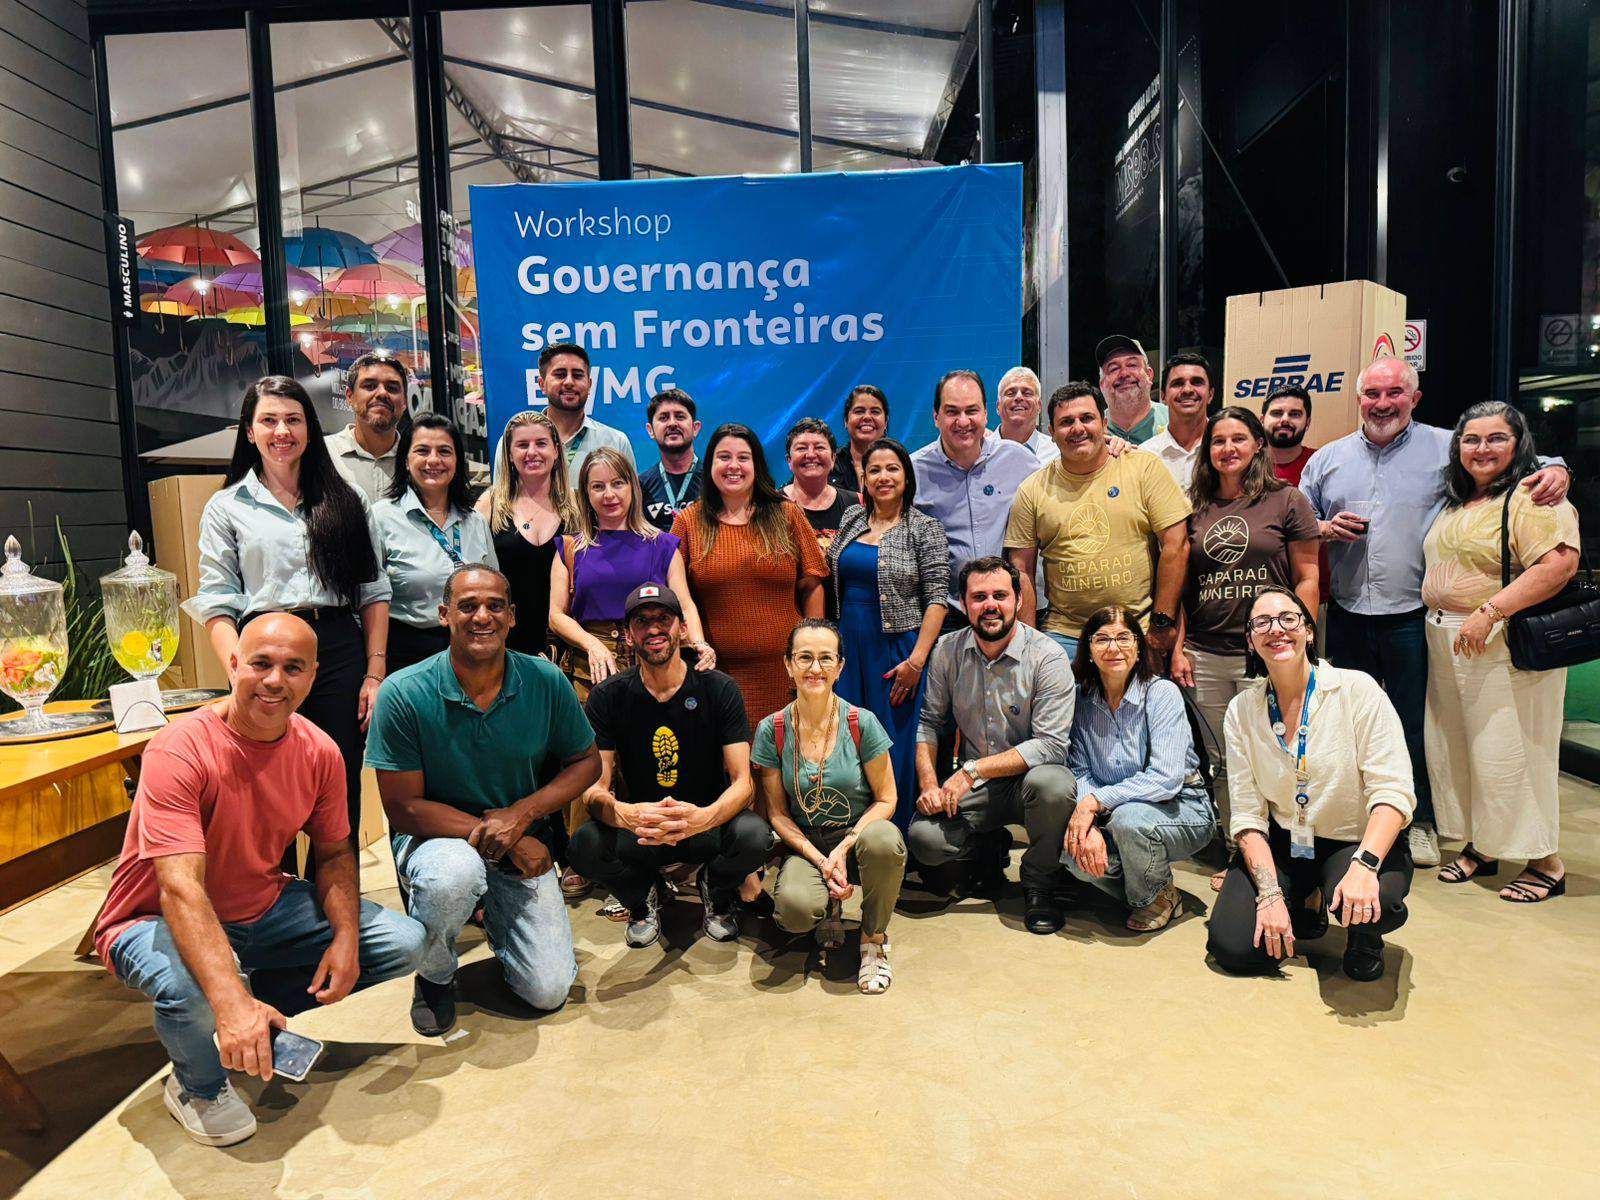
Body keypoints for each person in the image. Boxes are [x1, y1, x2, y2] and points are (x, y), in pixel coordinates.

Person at [94, 614, 425, 1147]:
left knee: (401, 942)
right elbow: (179, 887)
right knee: (191, 991)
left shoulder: (320, 751)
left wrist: (345, 938)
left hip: (263, 906)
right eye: (261, 664)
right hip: (151, 916)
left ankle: (246, 1003)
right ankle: (197, 1086)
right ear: (233, 664)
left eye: (293, 668)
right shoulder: (179, 749)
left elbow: (334, 852)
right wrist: (226, 999)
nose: (274, 680)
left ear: (313, 676)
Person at [1298, 356, 1570, 868]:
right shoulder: (1328, 459)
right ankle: (1356, 815)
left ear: (1414, 398)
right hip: (1350, 612)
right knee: (1347, 720)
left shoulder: (1450, 446)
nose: (1382, 403)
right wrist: (1324, 528)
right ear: (1358, 399)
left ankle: (1418, 820)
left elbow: (1522, 460)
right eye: (1372, 394)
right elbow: (1299, 517)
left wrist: (1558, 468)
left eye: (1394, 393)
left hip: (1411, 616)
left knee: (1416, 725)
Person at [366, 564, 600, 1036]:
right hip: (436, 841)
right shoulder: (403, 692)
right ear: (443, 615)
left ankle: (496, 913)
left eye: (495, 606)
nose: (482, 617)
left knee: (549, 990)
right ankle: (435, 974)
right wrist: (501, 834)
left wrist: (524, 815)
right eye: (468, 606)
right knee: (454, 876)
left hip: (521, 834)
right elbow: (403, 808)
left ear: (512, 616)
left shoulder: (544, 680)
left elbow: (587, 762)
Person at [192, 376, 390, 842]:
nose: (282, 431)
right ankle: (269, 887)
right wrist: (239, 671)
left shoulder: (348, 499)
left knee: (337, 781)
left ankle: (336, 887)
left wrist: (374, 673)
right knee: (262, 783)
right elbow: (217, 600)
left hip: (336, 649)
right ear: (249, 431)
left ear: (309, 428)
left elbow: (373, 591)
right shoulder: (226, 507)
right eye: (269, 421)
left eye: (293, 420)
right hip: (261, 653)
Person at [1206, 588, 1414, 981]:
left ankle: (1364, 935)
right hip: (1286, 841)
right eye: (1262, 623)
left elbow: (1393, 791)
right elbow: (1248, 814)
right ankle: (1304, 898)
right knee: (1234, 947)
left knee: (1378, 904)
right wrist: (1269, 894)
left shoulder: (1357, 690)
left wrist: (1365, 865)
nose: (1276, 629)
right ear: (1250, 641)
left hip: (1353, 839)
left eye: (1288, 618)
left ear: (1308, 631)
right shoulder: (1243, 710)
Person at [1423, 402, 1579, 903]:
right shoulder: (1460, 500)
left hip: (1500, 640)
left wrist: (1491, 611)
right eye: (1471, 439)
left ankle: (1544, 861)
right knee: (1461, 749)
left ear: (1518, 444)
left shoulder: (1534, 497)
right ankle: (1484, 845)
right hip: (1448, 640)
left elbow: (1558, 565)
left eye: (1496, 439)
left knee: (1511, 750)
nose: (1482, 449)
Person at [549, 447, 714, 897]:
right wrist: (589, 644)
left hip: (654, 652)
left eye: (618, 483)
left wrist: (699, 643)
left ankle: (654, 851)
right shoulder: (571, 547)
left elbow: (683, 601)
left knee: (646, 754)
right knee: (586, 758)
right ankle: (583, 854)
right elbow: (556, 614)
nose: (609, 494)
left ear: (633, 488)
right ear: (585, 493)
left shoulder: (662, 543)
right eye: (597, 486)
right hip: (591, 660)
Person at [570, 584, 769, 947]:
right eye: (641, 622)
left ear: (682, 627)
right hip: (643, 827)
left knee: (755, 836)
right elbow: (594, 790)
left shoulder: (718, 688)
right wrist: (628, 815)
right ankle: (642, 897)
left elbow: (743, 783)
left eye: (664, 618)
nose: (654, 629)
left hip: (705, 822)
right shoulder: (607, 696)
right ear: (628, 635)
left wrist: (703, 818)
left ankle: (716, 891)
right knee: (584, 845)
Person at [908, 557, 1078, 934]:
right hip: (979, 788)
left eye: (1000, 595)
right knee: (925, 840)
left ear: (1019, 600)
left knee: (1053, 784)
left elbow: (1051, 746)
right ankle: (987, 846)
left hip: (1029, 783)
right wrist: (929, 786)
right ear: (964, 603)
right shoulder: (946, 650)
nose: (990, 605)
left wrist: (970, 771)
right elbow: (929, 723)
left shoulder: (1048, 656)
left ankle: (1040, 884)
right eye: (979, 596)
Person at [1170, 407, 1319, 831]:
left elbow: (1308, 577)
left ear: (1258, 444)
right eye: (1218, 441)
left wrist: (1300, 640)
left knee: (1276, 751)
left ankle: (1286, 840)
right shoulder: (1191, 506)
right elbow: (1180, 587)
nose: (1228, 448)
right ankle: (1239, 842)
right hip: (1206, 654)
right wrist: (1177, 648)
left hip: (1270, 651)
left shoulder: (1287, 500)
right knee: (1222, 757)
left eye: (1238, 439)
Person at [755, 620, 905, 994]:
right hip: (807, 843)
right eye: (804, 657)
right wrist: (821, 860)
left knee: (885, 841)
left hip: (858, 838)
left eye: (826, 658)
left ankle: (873, 942)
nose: (815, 668)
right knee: (794, 912)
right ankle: (827, 907)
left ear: (840, 667)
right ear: (788, 665)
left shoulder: (861, 722)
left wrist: (843, 849)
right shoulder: (772, 729)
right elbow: (777, 814)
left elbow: (887, 799)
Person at [1004, 383, 1190, 660]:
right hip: (1065, 635)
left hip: (1136, 630)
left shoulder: (1143, 468)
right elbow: (1022, 569)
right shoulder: (1032, 490)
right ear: (1051, 432)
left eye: (1087, 418)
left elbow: (1177, 545)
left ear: (1103, 423)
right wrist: (1029, 643)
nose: (1078, 428)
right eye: (1066, 422)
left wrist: (1161, 624)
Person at [1062, 607, 1215, 931]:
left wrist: (1096, 803)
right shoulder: (1081, 700)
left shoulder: (1161, 693)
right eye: (1102, 639)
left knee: (1129, 820)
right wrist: (1090, 821)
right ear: (1088, 649)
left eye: (1123, 638)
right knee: (1071, 855)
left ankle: (1155, 897)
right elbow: (1079, 771)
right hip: (1112, 813)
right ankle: (1148, 883)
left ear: (1138, 647)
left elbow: (1166, 778)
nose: (1113, 648)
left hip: (1183, 807)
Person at [824, 438, 949, 829]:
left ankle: (896, 837)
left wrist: (917, 661)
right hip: (849, 648)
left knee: (892, 743)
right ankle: (851, 835)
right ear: (863, 478)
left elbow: (938, 598)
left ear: (906, 477)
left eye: (892, 468)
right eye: (874, 470)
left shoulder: (924, 528)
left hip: (898, 653)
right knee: (848, 743)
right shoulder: (852, 519)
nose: (883, 477)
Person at [671, 422, 827, 728]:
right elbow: (677, 599)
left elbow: (812, 584)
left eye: (743, 458)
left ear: (757, 465)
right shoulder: (688, 522)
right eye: (724, 457)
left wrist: (813, 652)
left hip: (787, 673)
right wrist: (696, 645)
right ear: (710, 465)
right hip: (717, 676)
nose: (734, 466)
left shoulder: (787, 514)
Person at [910, 369, 1042, 632]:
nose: (963, 421)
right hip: (945, 613)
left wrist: (1110, 446)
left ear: (986, 414)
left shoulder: (1020, 461)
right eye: (952, 412)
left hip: (1007, 609)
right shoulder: (914, 472)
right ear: (936, 417)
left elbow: (1066, 478)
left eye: (971, 411)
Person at [373, 413, 498, 673]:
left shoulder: (474, 521)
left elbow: (494, 588)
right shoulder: (381, 517)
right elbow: (370, 598)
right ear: (405, 460)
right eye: (422, 450)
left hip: (474, 648)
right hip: (408, 653)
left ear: (457, 461)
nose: (433, 460)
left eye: (444, 451)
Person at [476, 409, 580, 658]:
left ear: (556, 451)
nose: (532, 452)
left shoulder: (579, 506)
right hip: (504, 645)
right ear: (510, 455)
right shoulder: (489, 505)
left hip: (569, 647)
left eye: (541, 443)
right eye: (522, 445)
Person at [535, 341, 635, 474]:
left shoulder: (616, 443)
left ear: (589, 384)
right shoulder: (518, 444)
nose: (569, 382)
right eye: (560, 375)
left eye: (577, 375)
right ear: (542, 385)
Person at [326, 353, 406, 502]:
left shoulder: (419, 460)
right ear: (349, 396)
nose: (382, 393)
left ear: (405, 402)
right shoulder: (323, 453)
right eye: (370, 386)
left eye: (392, 388)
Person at [781, 416, 855, 556]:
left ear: (833, 458)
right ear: (789, 461)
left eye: (819, 447)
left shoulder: (857, 503)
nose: (810, 455)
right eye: (801, 448)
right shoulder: (770, 506)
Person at [1142, 351, 1215, 490]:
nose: (1187, 389)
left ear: (1210, 394)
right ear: (1163, 396)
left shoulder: (1227, 451)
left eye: (1197, 382)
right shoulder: (1145, 455)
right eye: (1177, 383)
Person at [638, 387, 703, 532]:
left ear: (695, 428)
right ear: (650, 430)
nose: (672, 423)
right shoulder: (640, 487)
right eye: (663, 418)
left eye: (680, 416)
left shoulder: (714, 480)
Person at [1097, 334, 1168, 443]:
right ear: (1102, 385)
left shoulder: (1174, 422)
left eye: (1132, 365)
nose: (1124, 373)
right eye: (1114, 369)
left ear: (1149, 375)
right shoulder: (1092, 431)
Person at [830, 385, 890, 493]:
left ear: (886, 422)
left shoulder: (901, 463)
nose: (867, 417)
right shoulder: (830, 463)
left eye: (875, 412)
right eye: (859, 411)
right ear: (846, 421)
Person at [997, 366, 1056, 463]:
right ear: (998, 406)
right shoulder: (980, 451)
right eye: (1010, 393)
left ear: (1039, 406)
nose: (1018, 397)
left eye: (1027, 393)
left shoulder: (1057, 453)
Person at [1261, 385, 1316, 485]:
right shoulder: (1245, 464)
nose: (1285, 420)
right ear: (1262, 420)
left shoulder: (1321, 462)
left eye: (1295, 414)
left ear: (1307, 423)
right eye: (1277, 413)